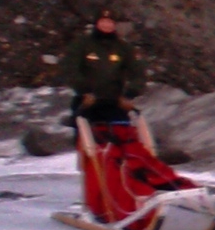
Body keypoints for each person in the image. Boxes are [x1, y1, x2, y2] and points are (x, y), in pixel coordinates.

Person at [57, 9, 157, 151]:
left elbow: (138, 73)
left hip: (115, 103)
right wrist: (84, 91)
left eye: (110, 22)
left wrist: (129, 95)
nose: (107, 25)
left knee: (122, 144)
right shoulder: (81, 45)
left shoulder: (123, 47)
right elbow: (70, 69)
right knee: (90, 147)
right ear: (96, 23)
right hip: (87, 103)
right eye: (103, 22)